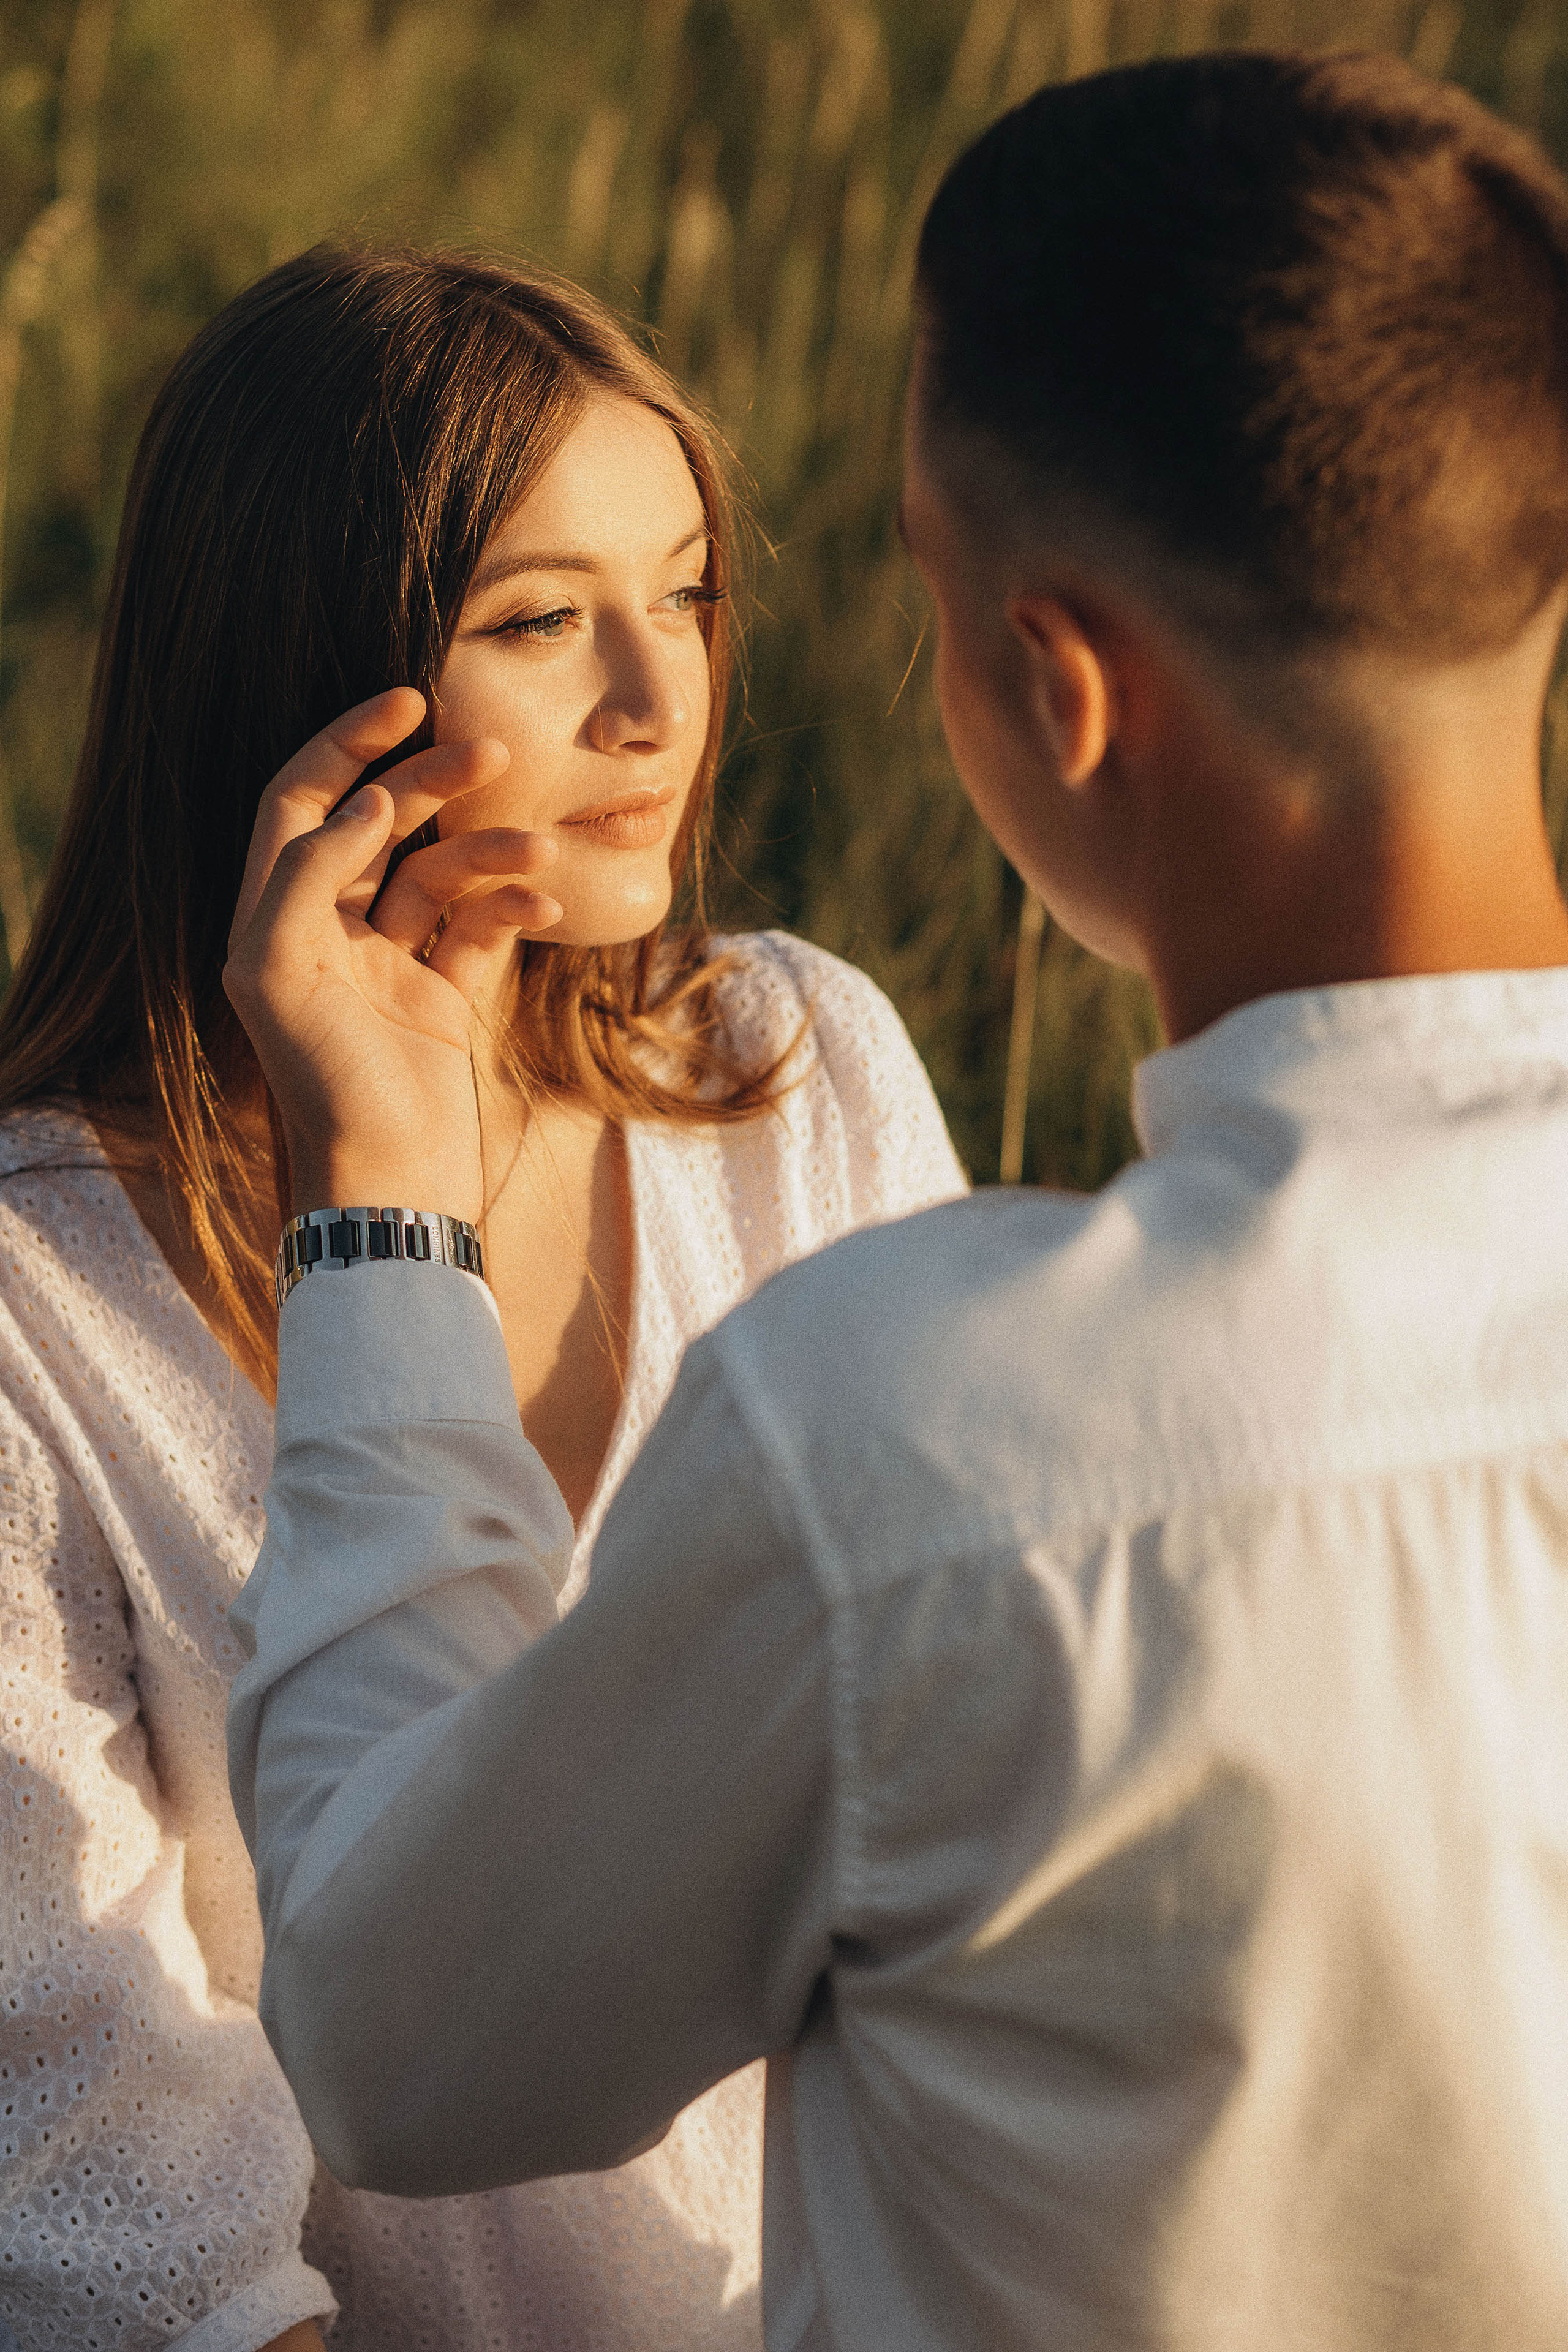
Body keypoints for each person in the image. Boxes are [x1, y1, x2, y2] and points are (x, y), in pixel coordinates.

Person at [226, 50, 1568, 2352]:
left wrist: (378, 1229)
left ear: (1055, 688)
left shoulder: (913, 1443)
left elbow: (385, 2032)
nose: (664, 694)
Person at [0, 249, 966, 2352]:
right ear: (305, 681)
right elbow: (117, 2238)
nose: (659, 696)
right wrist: (379, 1163)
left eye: (691, 590)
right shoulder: (31, 1308)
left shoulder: (797, 1076)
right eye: (540, 619)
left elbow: (971, 1852)